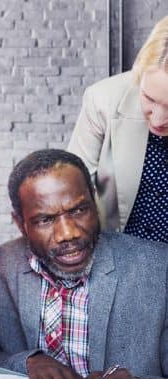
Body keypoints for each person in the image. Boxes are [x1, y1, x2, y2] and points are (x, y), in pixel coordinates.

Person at [0, 149, 167, 379]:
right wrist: (29, 362)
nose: (67, 233)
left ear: (94, 202)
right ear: (21, 224)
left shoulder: (158, 268)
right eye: (45, 220)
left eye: (79, 210)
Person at [68, 14, 168, 241]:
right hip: (116, 255)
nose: (159, 119)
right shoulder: (102, 100)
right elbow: (71, 187)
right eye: (149, 99)